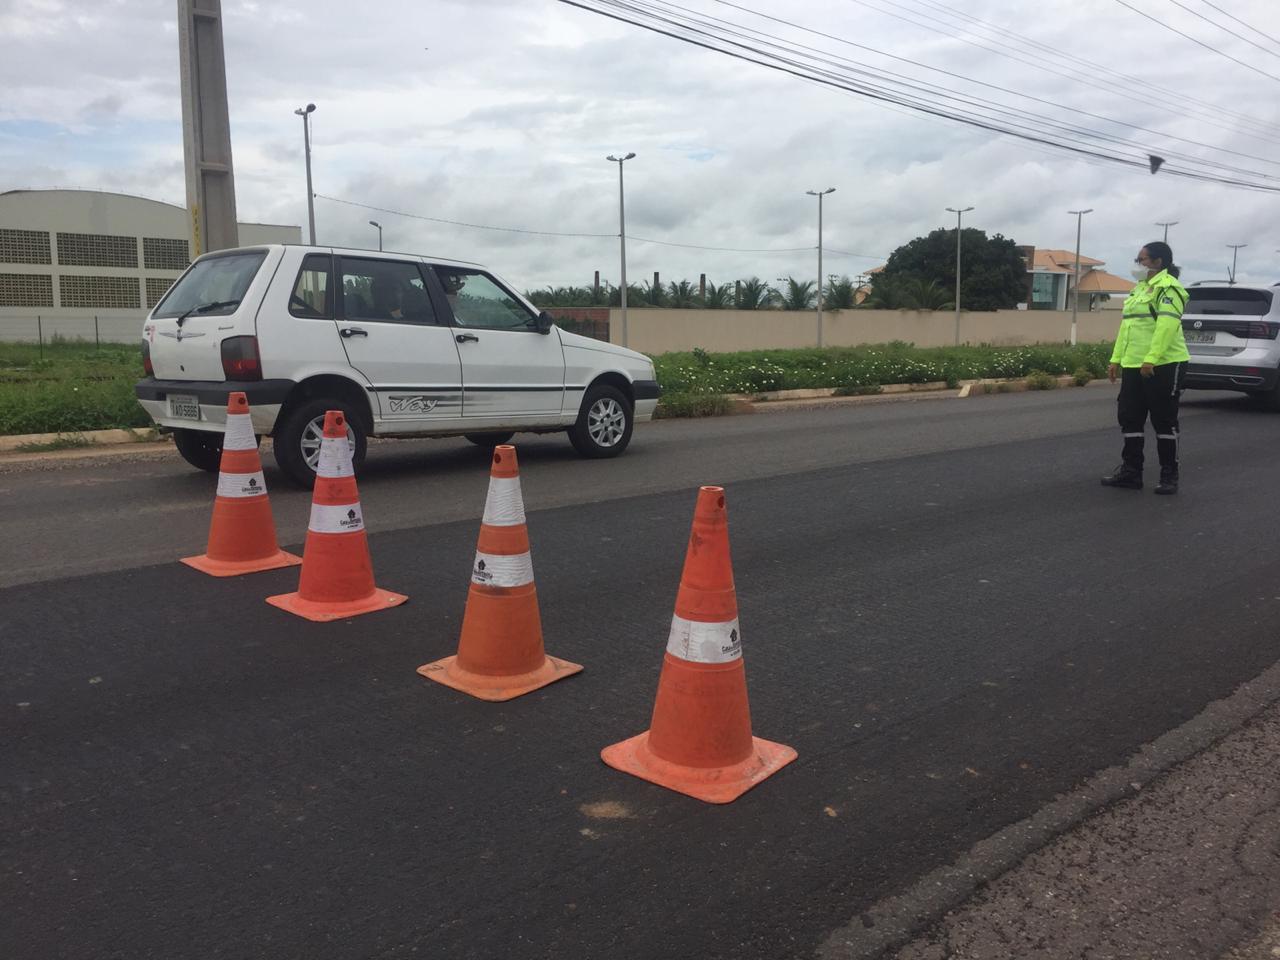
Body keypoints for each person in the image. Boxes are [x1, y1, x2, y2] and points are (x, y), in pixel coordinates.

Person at [1100, 240, 1190, 495]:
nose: (1137, 264)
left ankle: (1169, 475)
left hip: (1163, 364)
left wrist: (1151, 358)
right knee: (1130, 417)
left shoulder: (1169, 289)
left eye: (1141, 259)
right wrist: (1116, 359)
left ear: (1158, 262)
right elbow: (1127, 328)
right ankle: (1131, 472)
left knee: (1164, 420)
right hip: (1133, 363)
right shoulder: (1139, 290)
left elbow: (1166, 327)